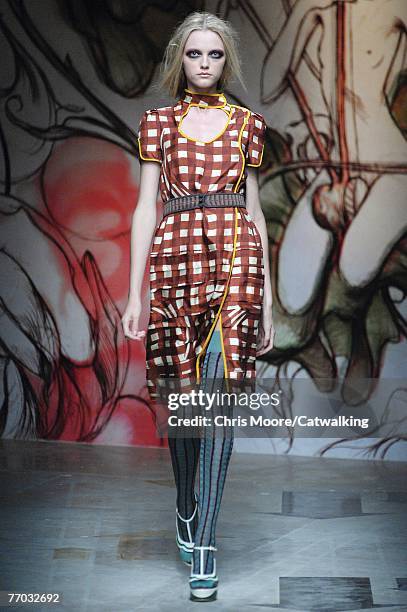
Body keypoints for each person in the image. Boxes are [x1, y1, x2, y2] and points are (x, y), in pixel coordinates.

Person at [122, 10, 274, 602]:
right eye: (194, 54)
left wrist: (269, 306)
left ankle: (206, 544)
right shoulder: (158, 123)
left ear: (226, 61)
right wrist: (135, 292)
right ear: (178, 60)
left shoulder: (248, 126)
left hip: (236, 262)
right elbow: (142, 209)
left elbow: (256, 212)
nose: (204, 64)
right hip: (175, 263)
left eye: (214, 55)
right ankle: (186, 504)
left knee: (221, 404)